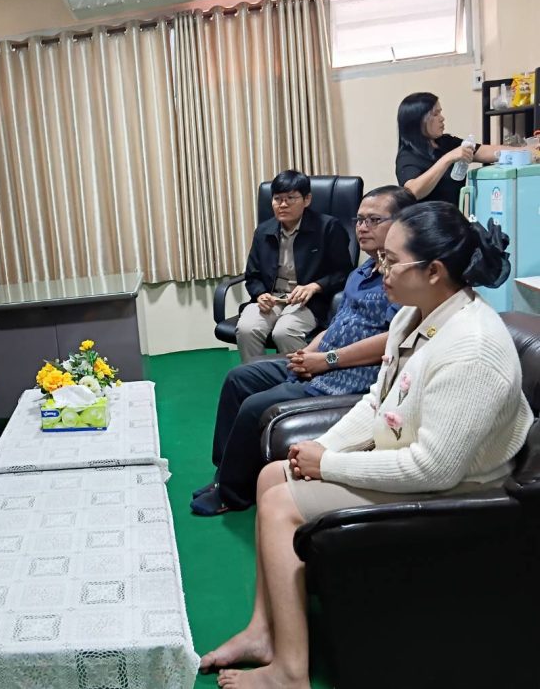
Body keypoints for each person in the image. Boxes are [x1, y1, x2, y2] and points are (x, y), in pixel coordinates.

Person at [202, 201, 528, 688]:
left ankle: (290, 672)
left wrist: (329, 465)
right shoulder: (414, 316)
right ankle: (263, 632)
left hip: (462, 491)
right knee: (273, 475)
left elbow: (434, 470)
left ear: (434, 271)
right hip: (411, 459)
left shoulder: (472, 348)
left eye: (391, 261)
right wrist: (318, 451)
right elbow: (378, 402)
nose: (380, 269)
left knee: (280, 505)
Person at [192, 186, 417, 516]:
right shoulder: (362, 271)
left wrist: (324, 361)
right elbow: (336, 325)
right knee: (238, 378)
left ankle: (233, 493)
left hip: (348, 374)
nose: (362, 228)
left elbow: (392, 339)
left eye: (374, 220)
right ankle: (225, 472)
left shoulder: (402, 276)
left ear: (402, 224)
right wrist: (306, 353)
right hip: (323, 359)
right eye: (359, 220)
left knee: (255, 406)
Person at [236, 170, 352, 361]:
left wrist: (315, 286)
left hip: (308, 301)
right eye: (277, 199)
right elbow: (252, 275)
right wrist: (260, 294)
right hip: (272, 300)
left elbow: (344, 272)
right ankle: (256, 376)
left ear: (307, 200)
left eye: (290, 198)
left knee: (284, 331)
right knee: (247, 329)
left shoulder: (328, 227)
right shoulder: (263, 231)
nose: (283, 204)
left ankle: (301, 376)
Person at [395, 92, 501, 205]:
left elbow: (486, 152)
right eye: (435, 114)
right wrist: (448, 158)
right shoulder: (407, 155)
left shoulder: (446, 142)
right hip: (426, 216)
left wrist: (515, 152)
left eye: (440, 112)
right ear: (418, 120)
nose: (442, 118)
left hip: (452, 214)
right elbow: (412, 192)